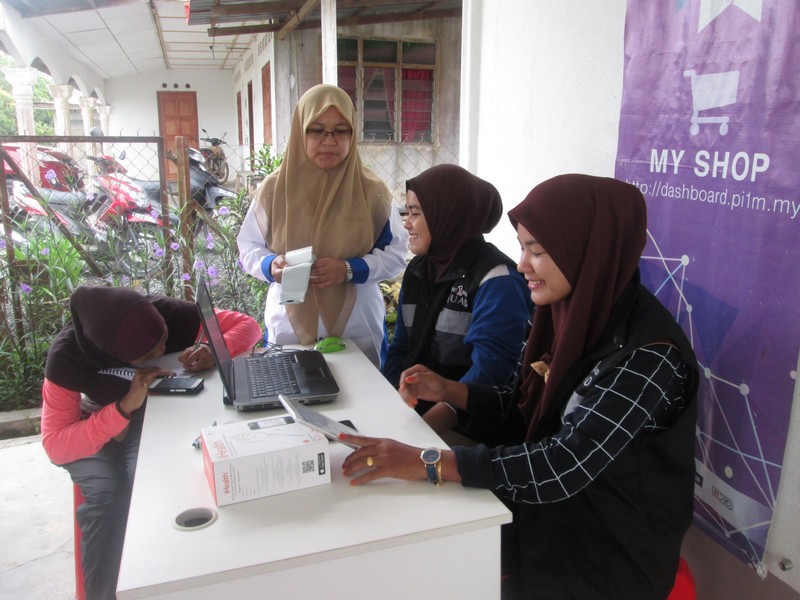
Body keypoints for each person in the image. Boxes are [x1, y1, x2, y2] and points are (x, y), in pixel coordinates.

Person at [341, 174, 699, 599]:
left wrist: (429, 462)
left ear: (587, 250)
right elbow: (523, 408)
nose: (523, 265)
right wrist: (451, 391)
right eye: (522, 247)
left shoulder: (648, 356)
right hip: (547, 518)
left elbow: (565, 462)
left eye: (538, 251)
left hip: (602, 552)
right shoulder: (570, 314)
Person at [41, 286, 261, 600]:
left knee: (147, 481)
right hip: (89, 430)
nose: (163, 348)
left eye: (164, 337)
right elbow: (56, 444)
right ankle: (102, 594)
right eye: (148, 354)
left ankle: (162, 580)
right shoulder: (67, 358)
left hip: (146, 419)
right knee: (106, 492)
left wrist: (212, 347)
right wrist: (121, 410)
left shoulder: (164, 312)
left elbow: (247, 326)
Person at [237, 84, 408, 367]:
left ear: (353, 134)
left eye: (341, 131)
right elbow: (248, 246)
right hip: (289, 325)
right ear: (300, 131)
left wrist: (350, 269)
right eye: (316, 130)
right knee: (289, 388)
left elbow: (396, 253)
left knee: (363, 393)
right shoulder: (273, 190)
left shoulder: (372, 191)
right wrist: (270, 265)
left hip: (357, 326)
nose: (329, 141)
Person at [381, 164, 531, 438]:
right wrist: (391, 406)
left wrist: (416, 434)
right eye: (407, 212)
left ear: (447, 215)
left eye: (415, 213)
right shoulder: (418, 269)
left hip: (466, 429)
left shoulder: (497, 279)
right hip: (414, 415)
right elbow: (401, 348)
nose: (406, 223)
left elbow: (489, 375)